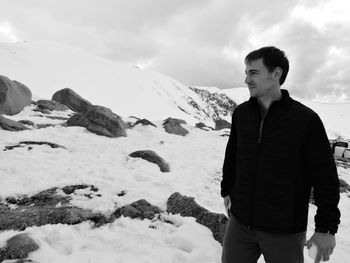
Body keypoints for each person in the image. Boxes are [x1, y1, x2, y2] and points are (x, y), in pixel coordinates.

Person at [221, 46, 340, 263]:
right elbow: (233, 156)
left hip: (284, 232)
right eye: (246, 72)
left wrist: (326, 228)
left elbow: (325, 178)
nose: (247, 79)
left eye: (253, 72)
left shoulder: (305, 120)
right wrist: (227, 189)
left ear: (276, 73)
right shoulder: (242, 114)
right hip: (240, 225)